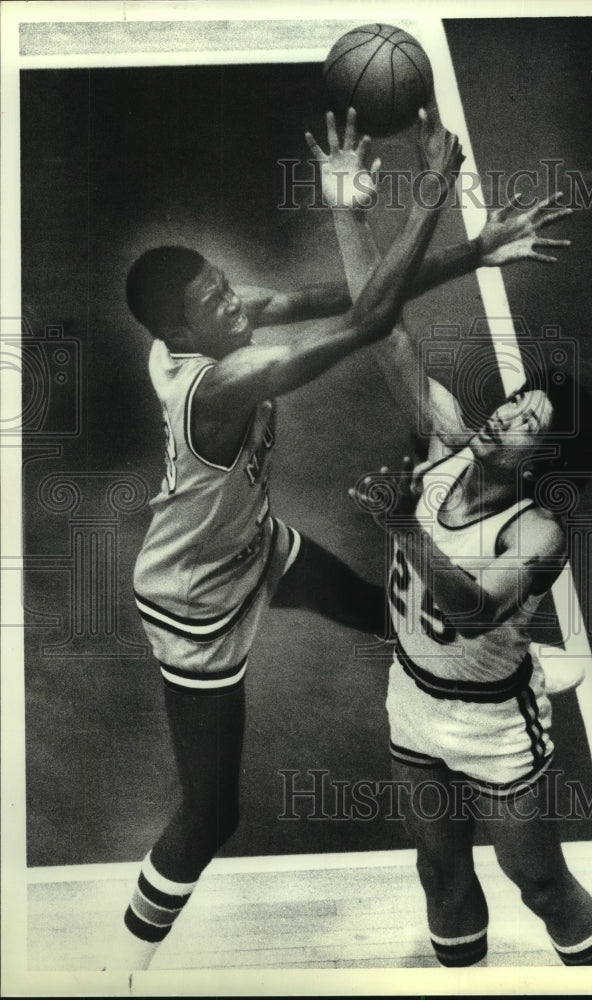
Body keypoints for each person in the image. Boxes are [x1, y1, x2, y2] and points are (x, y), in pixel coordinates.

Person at [109, 109, 463, 971]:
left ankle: (492, 674)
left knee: (383, 614)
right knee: (211, 815)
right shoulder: (224, 381)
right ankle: (118, 969)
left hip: (251, 545)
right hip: (196, 603)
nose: (238, 301)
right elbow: (367, 323)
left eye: (225, 284)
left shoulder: (205, 329)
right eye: (216, 300)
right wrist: (429, 193)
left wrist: (478, 251)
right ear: (181, 338)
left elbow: (344, 295)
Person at [310, 109, 592, 967]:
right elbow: (379, 326)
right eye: (513, 403)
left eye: (527, 422)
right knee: (437, 874)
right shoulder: (444, 442)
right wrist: (348, 212)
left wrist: (404, 529)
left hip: (493, 724)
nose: (505, 415)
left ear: (543, 460)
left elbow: (473, 608)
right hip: (414, 697)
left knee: (537, 882)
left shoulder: (538, 531)